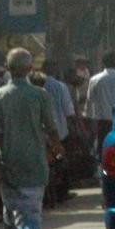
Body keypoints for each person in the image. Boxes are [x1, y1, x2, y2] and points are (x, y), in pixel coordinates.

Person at [0, 47, 64, 229]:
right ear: (30, 69)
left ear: (8, 69)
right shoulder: (40, 95)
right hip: (35, 164)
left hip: (9, 164)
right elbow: (51, 128)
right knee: (31, 212)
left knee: (11, 214)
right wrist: (59, 149)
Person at [31, 61, 75, 204]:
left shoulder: (30, 92)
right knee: (61, 163)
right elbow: (68, 111)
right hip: (58, 131)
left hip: (39, 135)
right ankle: (61, 192)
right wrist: (73, 126)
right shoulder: (60, 86)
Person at [85, 51, 115, 158]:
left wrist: (89, 119)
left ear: (103, 63)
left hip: (101, 121)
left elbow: (90, 100)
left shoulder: (94, 79)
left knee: (102, 149)